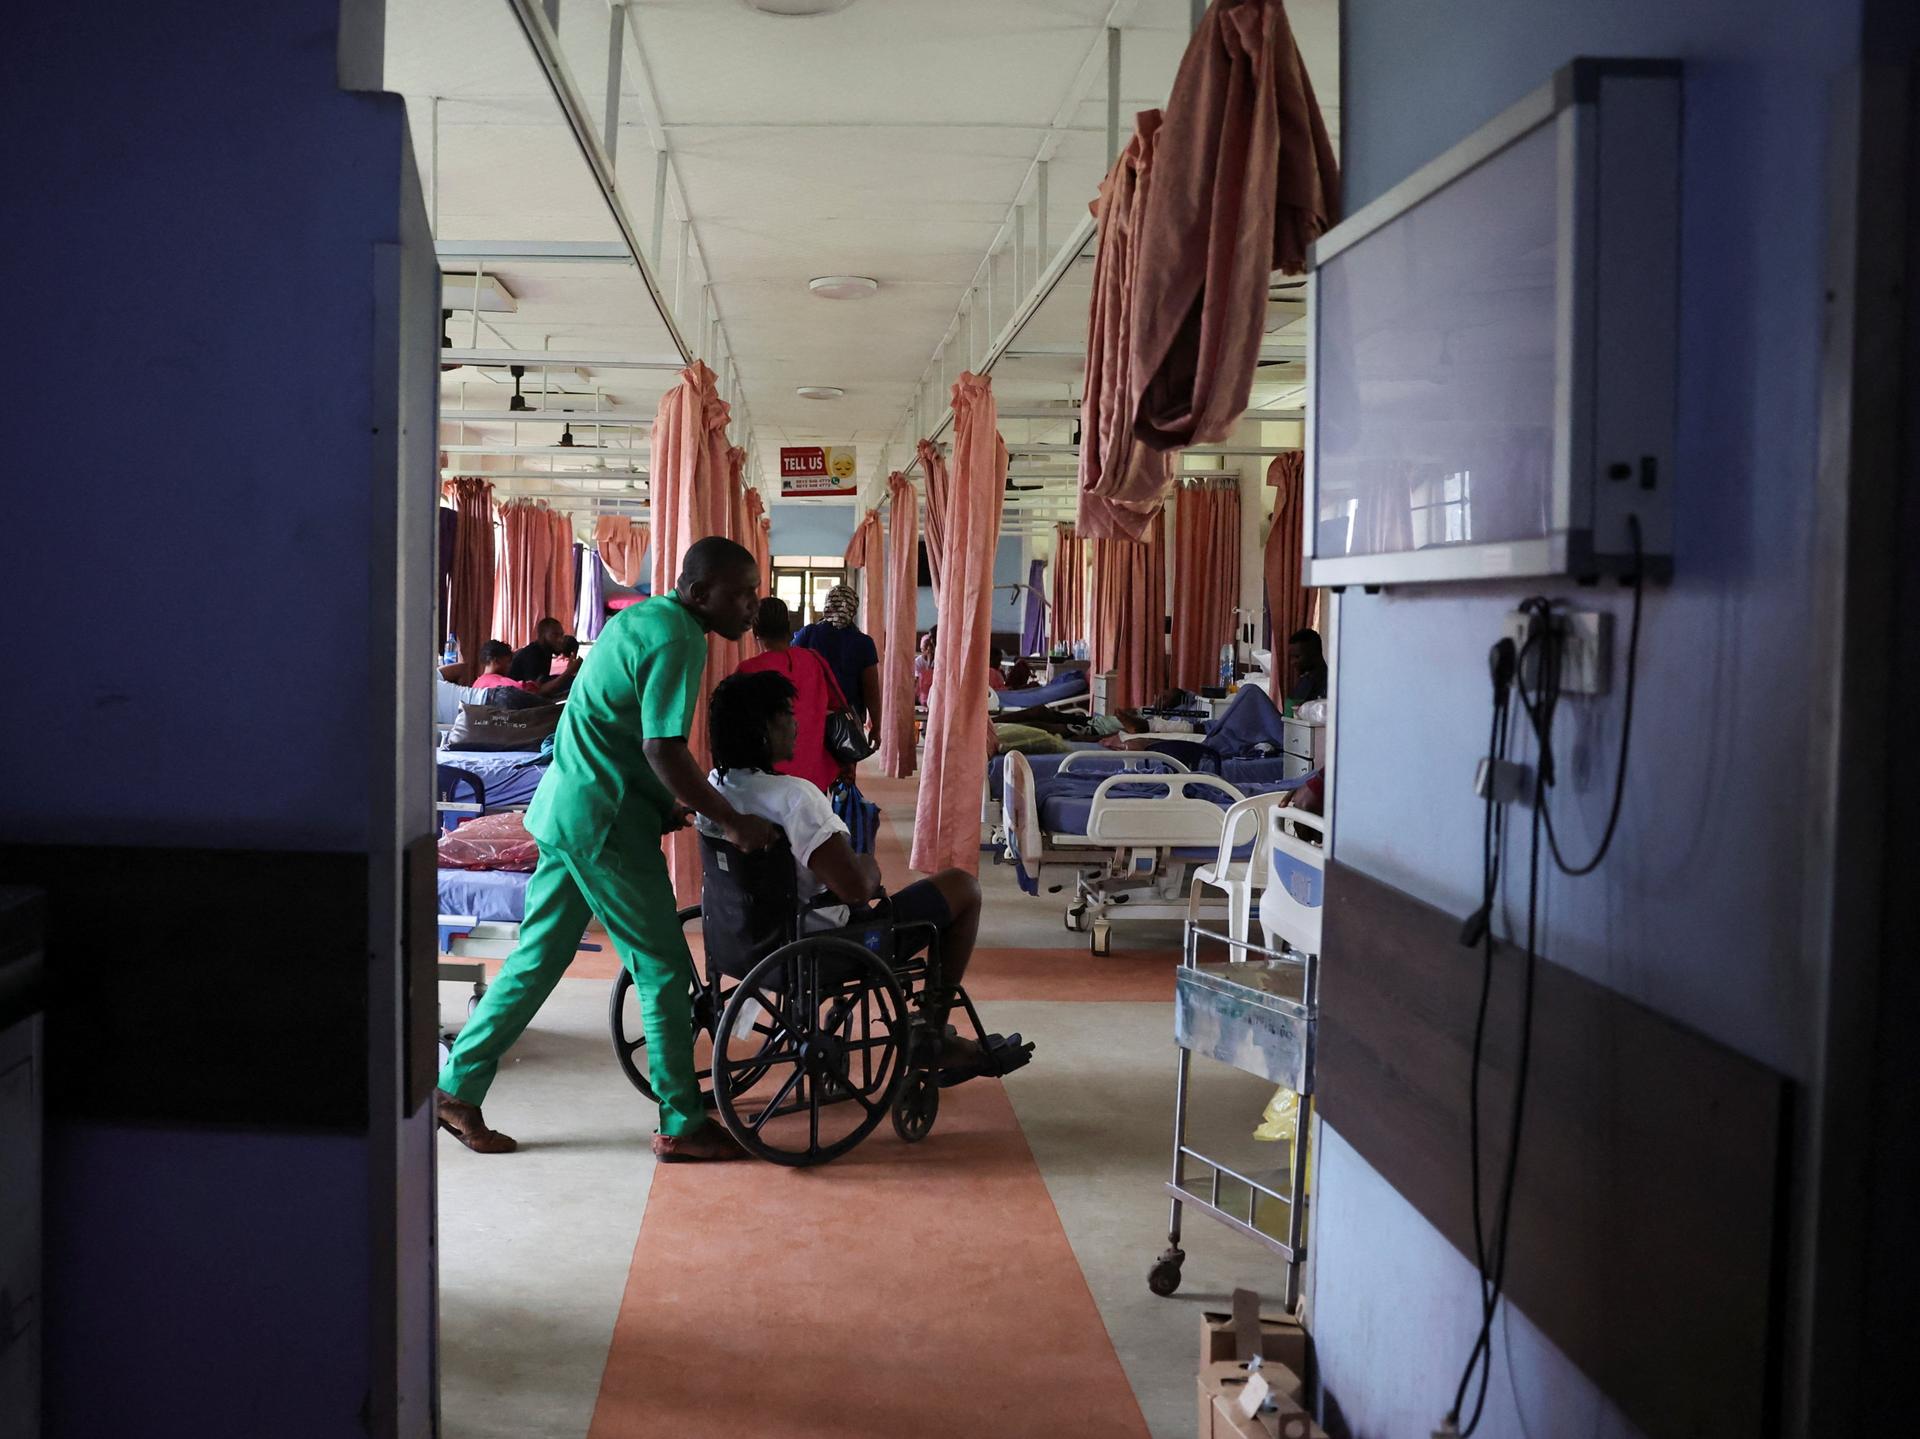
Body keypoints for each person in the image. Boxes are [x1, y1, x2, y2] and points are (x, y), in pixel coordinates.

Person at [435, 537, 778, 1163]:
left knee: (538, 959)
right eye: (742, 593)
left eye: (756, 592)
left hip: (566, 810)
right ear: (700, 592)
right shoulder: (680, 639)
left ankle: (455, 1089)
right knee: (663, 967)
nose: (753, 605)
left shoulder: (644, 620)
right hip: (604, 827)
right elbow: (661, 747)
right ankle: (682, 1122)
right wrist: (731, 820)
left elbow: (613, 727)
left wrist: (664, 803)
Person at [706, 669, 1020, 1080]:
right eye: (787, 714)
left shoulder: (717, 788)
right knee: (963, 888)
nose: (797, 723)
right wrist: (869, 863)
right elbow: (854, 889)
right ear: (761, 730)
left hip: (743, 938)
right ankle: (931, 1032)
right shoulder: (794, 798)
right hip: (821, 945)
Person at [735, 597, 845, 793]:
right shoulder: (814, 660)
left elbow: (735, 726)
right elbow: (839, 707)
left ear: (755, 630)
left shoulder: (748, 670)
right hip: (813, 774)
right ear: (788, 627)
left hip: (766, 777)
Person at [794, 582, 882, 748]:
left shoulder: (808, 634)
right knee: (844, 760)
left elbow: (791, 668)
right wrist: (876, 725)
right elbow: (871, 689)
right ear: (853, 610)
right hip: (848, 719)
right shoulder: (864, 643)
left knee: (813, 761)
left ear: (827, 605)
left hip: (812, 715)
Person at [471, 638, 571, 698]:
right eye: (508, 661)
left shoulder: (476, 684)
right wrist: (569, 671)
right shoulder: (502, 683)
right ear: (496, 661)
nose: (510, 665)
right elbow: (530, 691)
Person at [508, 616, 580, 691]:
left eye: (561, 635)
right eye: (555, 635)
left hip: (529, 691)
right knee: (573, 683)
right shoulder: (532, 653)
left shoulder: (546, 651)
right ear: (542, 635)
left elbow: (542, 681)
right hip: (516, 694)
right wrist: (569, 671)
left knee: (573, 680)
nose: (560, 640)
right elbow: (535, 691)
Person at [1287, 628, 1328, 705]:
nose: (1292, 662)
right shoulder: (1306, 679)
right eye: (1291, 657)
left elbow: (1291, 708)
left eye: (1297, 657)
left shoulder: (1321, 683)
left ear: (1314, 654)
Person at [913, 628, 937, 707]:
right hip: (921, 693)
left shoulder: (938, 660)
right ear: (922, 649)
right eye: (926, 646)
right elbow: (916, 680)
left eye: (930, 646)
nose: (929, 649)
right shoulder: (918, 662)